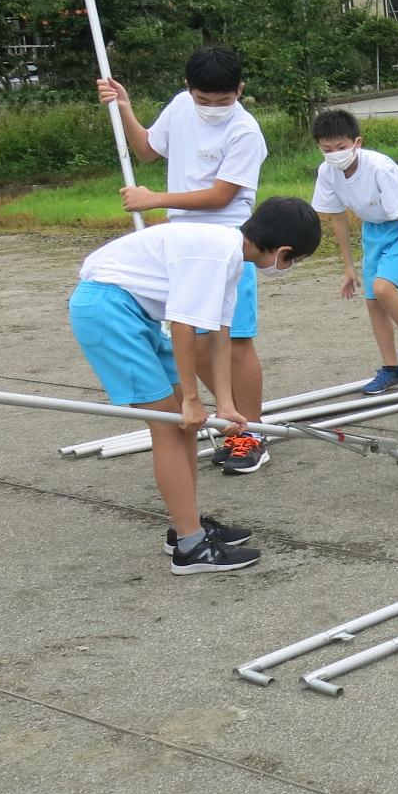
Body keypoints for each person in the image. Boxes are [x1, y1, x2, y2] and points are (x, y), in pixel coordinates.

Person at [68, 198, 322, 574]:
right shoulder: (216, 255)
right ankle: (190, 548)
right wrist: (190, 399)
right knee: (171, 426)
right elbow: (185, 327)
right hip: (109, 310)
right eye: (293, 261)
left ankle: (187, 526)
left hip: (133, 311)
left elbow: (218, 333)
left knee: (185, 427)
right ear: (283, 251)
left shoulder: (229, 258)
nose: (289, 267)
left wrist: (224, 404)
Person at [96, 46, 272, 475]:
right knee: (190, 337)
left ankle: (253, 434)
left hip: (229, 239)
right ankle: (231, 419)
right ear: (189, 89)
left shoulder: (246, 132)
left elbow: (221, 195)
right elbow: (148, 152)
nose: (213, 108)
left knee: (234, 339)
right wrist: (124, 108)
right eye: (203, 99)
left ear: (240, 90)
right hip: (181, 244)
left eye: (223, 100)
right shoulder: (179, 106)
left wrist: (155, 199)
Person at [308, 108, 398, 393]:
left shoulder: (379, 167)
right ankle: (391, 370)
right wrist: (348, 267)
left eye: (341, 147)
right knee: (373, 301)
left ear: (357, 143)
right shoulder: (327, 172)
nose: (335, 153)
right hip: (373, 230)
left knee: (384, 288)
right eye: (327, 149)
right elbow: (337, 218)